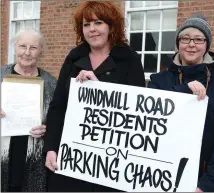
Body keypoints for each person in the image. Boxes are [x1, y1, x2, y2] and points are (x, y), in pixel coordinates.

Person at [44, 1, 145, 192]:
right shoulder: (73, 58)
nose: (92, 30)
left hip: (110, 161)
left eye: (98, 23)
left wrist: (99, 88)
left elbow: (135, 111)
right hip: (73, 157)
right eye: (86, 24)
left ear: (111, 26)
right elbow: (58, 106)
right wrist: (51, 148)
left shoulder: (129, 60)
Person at [147, 13, 214, 192]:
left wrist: (208, 185)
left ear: (206, 45)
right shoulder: (158, 80)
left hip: (206, 180)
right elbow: (151, 119)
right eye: (185, 38)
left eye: (198, 39)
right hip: (160, 177)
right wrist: (184, 91)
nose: (191, 44)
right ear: (178, 43)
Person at [1, 28, 57, 192]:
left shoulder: (52, 84)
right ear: (15, 48)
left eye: (33, 48)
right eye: (22, 46)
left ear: (41, 51)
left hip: (34, 164)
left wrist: (49, 130)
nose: (27, 52)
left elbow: (58, 121)